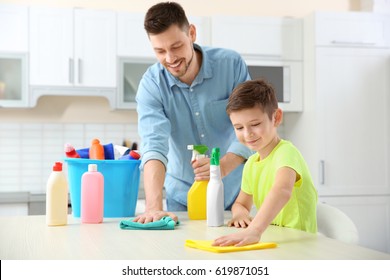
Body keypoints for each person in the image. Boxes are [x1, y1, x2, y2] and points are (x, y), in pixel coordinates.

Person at [134, 2, 253, 223]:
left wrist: (223, 166)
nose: (170, 58)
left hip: (237, 193)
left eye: (176, 46)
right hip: (183, 195)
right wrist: (153, 207)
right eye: (160, 51)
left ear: (192, 33)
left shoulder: (231, 65)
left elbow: (252, 124)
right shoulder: (151, 85)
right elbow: (154, 145)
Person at [213, 79, 318, 247]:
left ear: (276, 118)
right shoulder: (252, 163)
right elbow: (241, 203)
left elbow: (282, 190)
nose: (247, 134)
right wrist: (240, 214)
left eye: (255, 124)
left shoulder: (286, 153)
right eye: (239, 128)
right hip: (275, 239)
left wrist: (254, 230)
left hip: (299, 243)